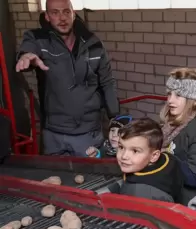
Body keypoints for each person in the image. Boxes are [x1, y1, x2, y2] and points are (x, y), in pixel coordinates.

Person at [15, 0, 119, 156]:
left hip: (88, 134)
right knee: (55, 178)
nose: (62, 18)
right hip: (54, 135)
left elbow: (107, 82)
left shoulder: (93, 44)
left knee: (91, 178)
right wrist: (26, 56)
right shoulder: (39, 40)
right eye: (55, 13)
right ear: (47, 17)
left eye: (66, 12)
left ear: (73, 14)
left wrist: (116, 117)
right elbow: (29, 48)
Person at [160, 67, 196, 205]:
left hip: (185, 202)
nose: (170, 100)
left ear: (194, 100)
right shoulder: (170, 124)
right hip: (168, 193)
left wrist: (166, 157)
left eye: (178, 95)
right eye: (169, 94)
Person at [117, 118, 183, 203]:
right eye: (121, 147)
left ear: (154, 156)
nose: (124, 156)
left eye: (135, 151)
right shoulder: (169, 158)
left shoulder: (136, 193)